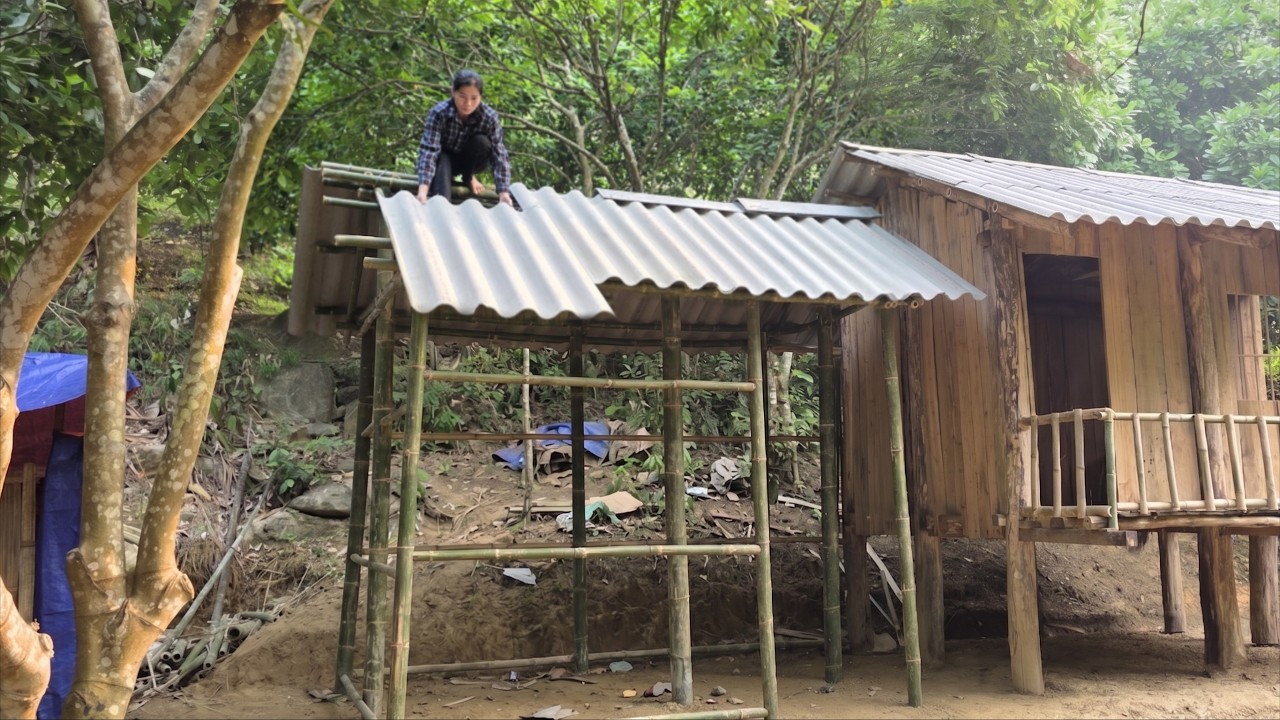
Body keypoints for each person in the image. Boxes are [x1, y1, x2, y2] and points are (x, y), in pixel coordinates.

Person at [415, 69, 514, 206]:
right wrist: (422, 191)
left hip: (470, 162)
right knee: (442, 159)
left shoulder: (489, 117)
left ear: (481, 97)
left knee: (482, 142)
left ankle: (468, 177)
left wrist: (504, 192)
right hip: (443, 161)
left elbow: (499, 153)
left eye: (474, 98)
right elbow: (429, 150)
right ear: (453, 92)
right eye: (462, 96)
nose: (468, 103)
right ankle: (442, 207)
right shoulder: (439, 112)